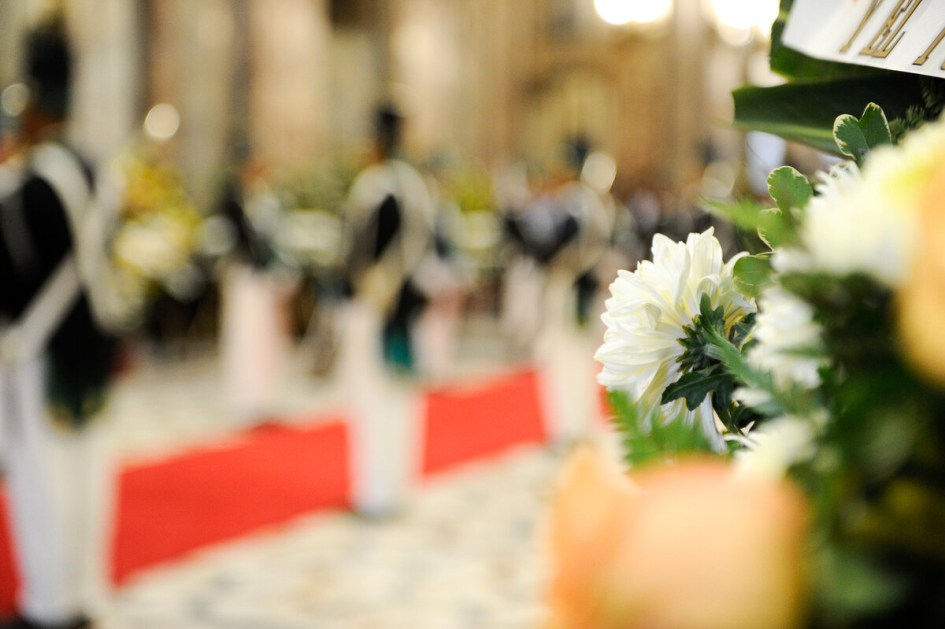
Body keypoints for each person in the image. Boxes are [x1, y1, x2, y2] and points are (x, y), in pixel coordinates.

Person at [0, 19, 120, 629]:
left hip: (38, 349)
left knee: (42, 480)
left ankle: (48, 604)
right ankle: (85, 592)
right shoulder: (102, 174)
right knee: (89, 469)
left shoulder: (25, 187)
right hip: (92, 344)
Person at [337, 105, 436, 517]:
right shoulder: (415, 185)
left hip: (374, 303)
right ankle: (398, 487)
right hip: (406, 302)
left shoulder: (375, 185)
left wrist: (359, 288)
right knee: (400, 397)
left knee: (374, 397)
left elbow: (357, 251)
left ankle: (375, 493)